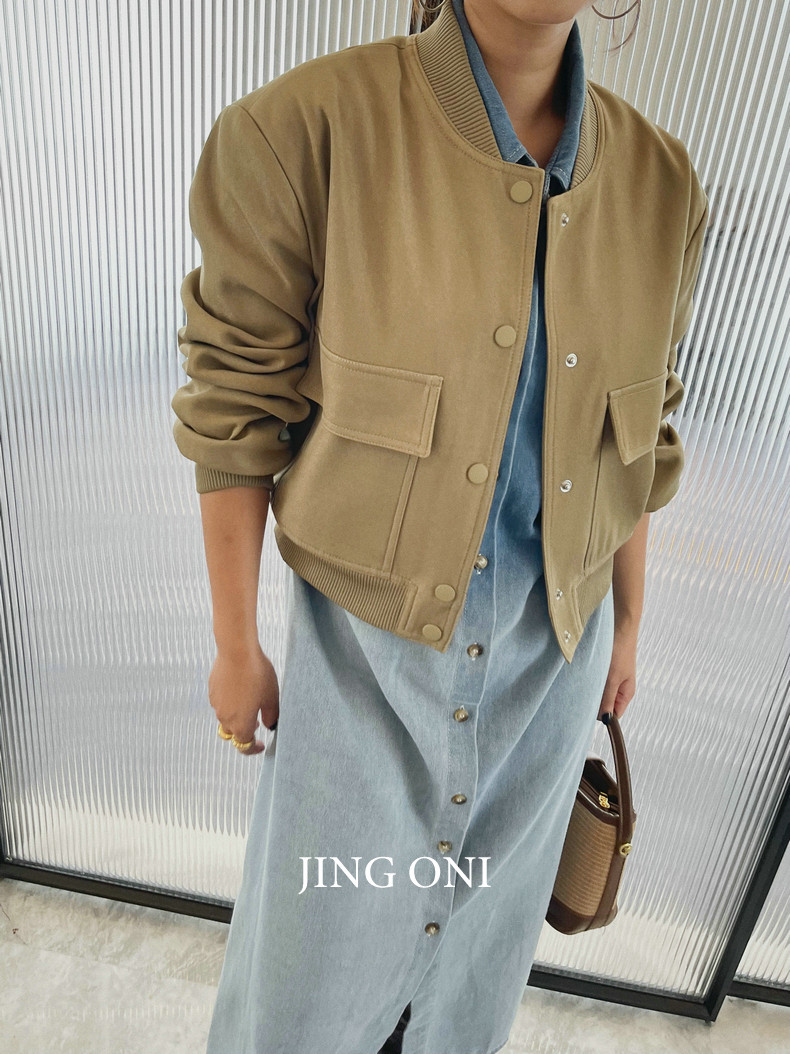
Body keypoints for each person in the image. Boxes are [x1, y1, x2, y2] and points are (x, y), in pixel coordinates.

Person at [170, 1, 709, 1052]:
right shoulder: (303, 132)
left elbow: (640, 440)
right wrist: (235, 644)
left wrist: (628, 626)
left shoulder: (662, 185)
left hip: (551, 678)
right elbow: (235, 406)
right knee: (304, 992)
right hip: (362, 675)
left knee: (468, 991)